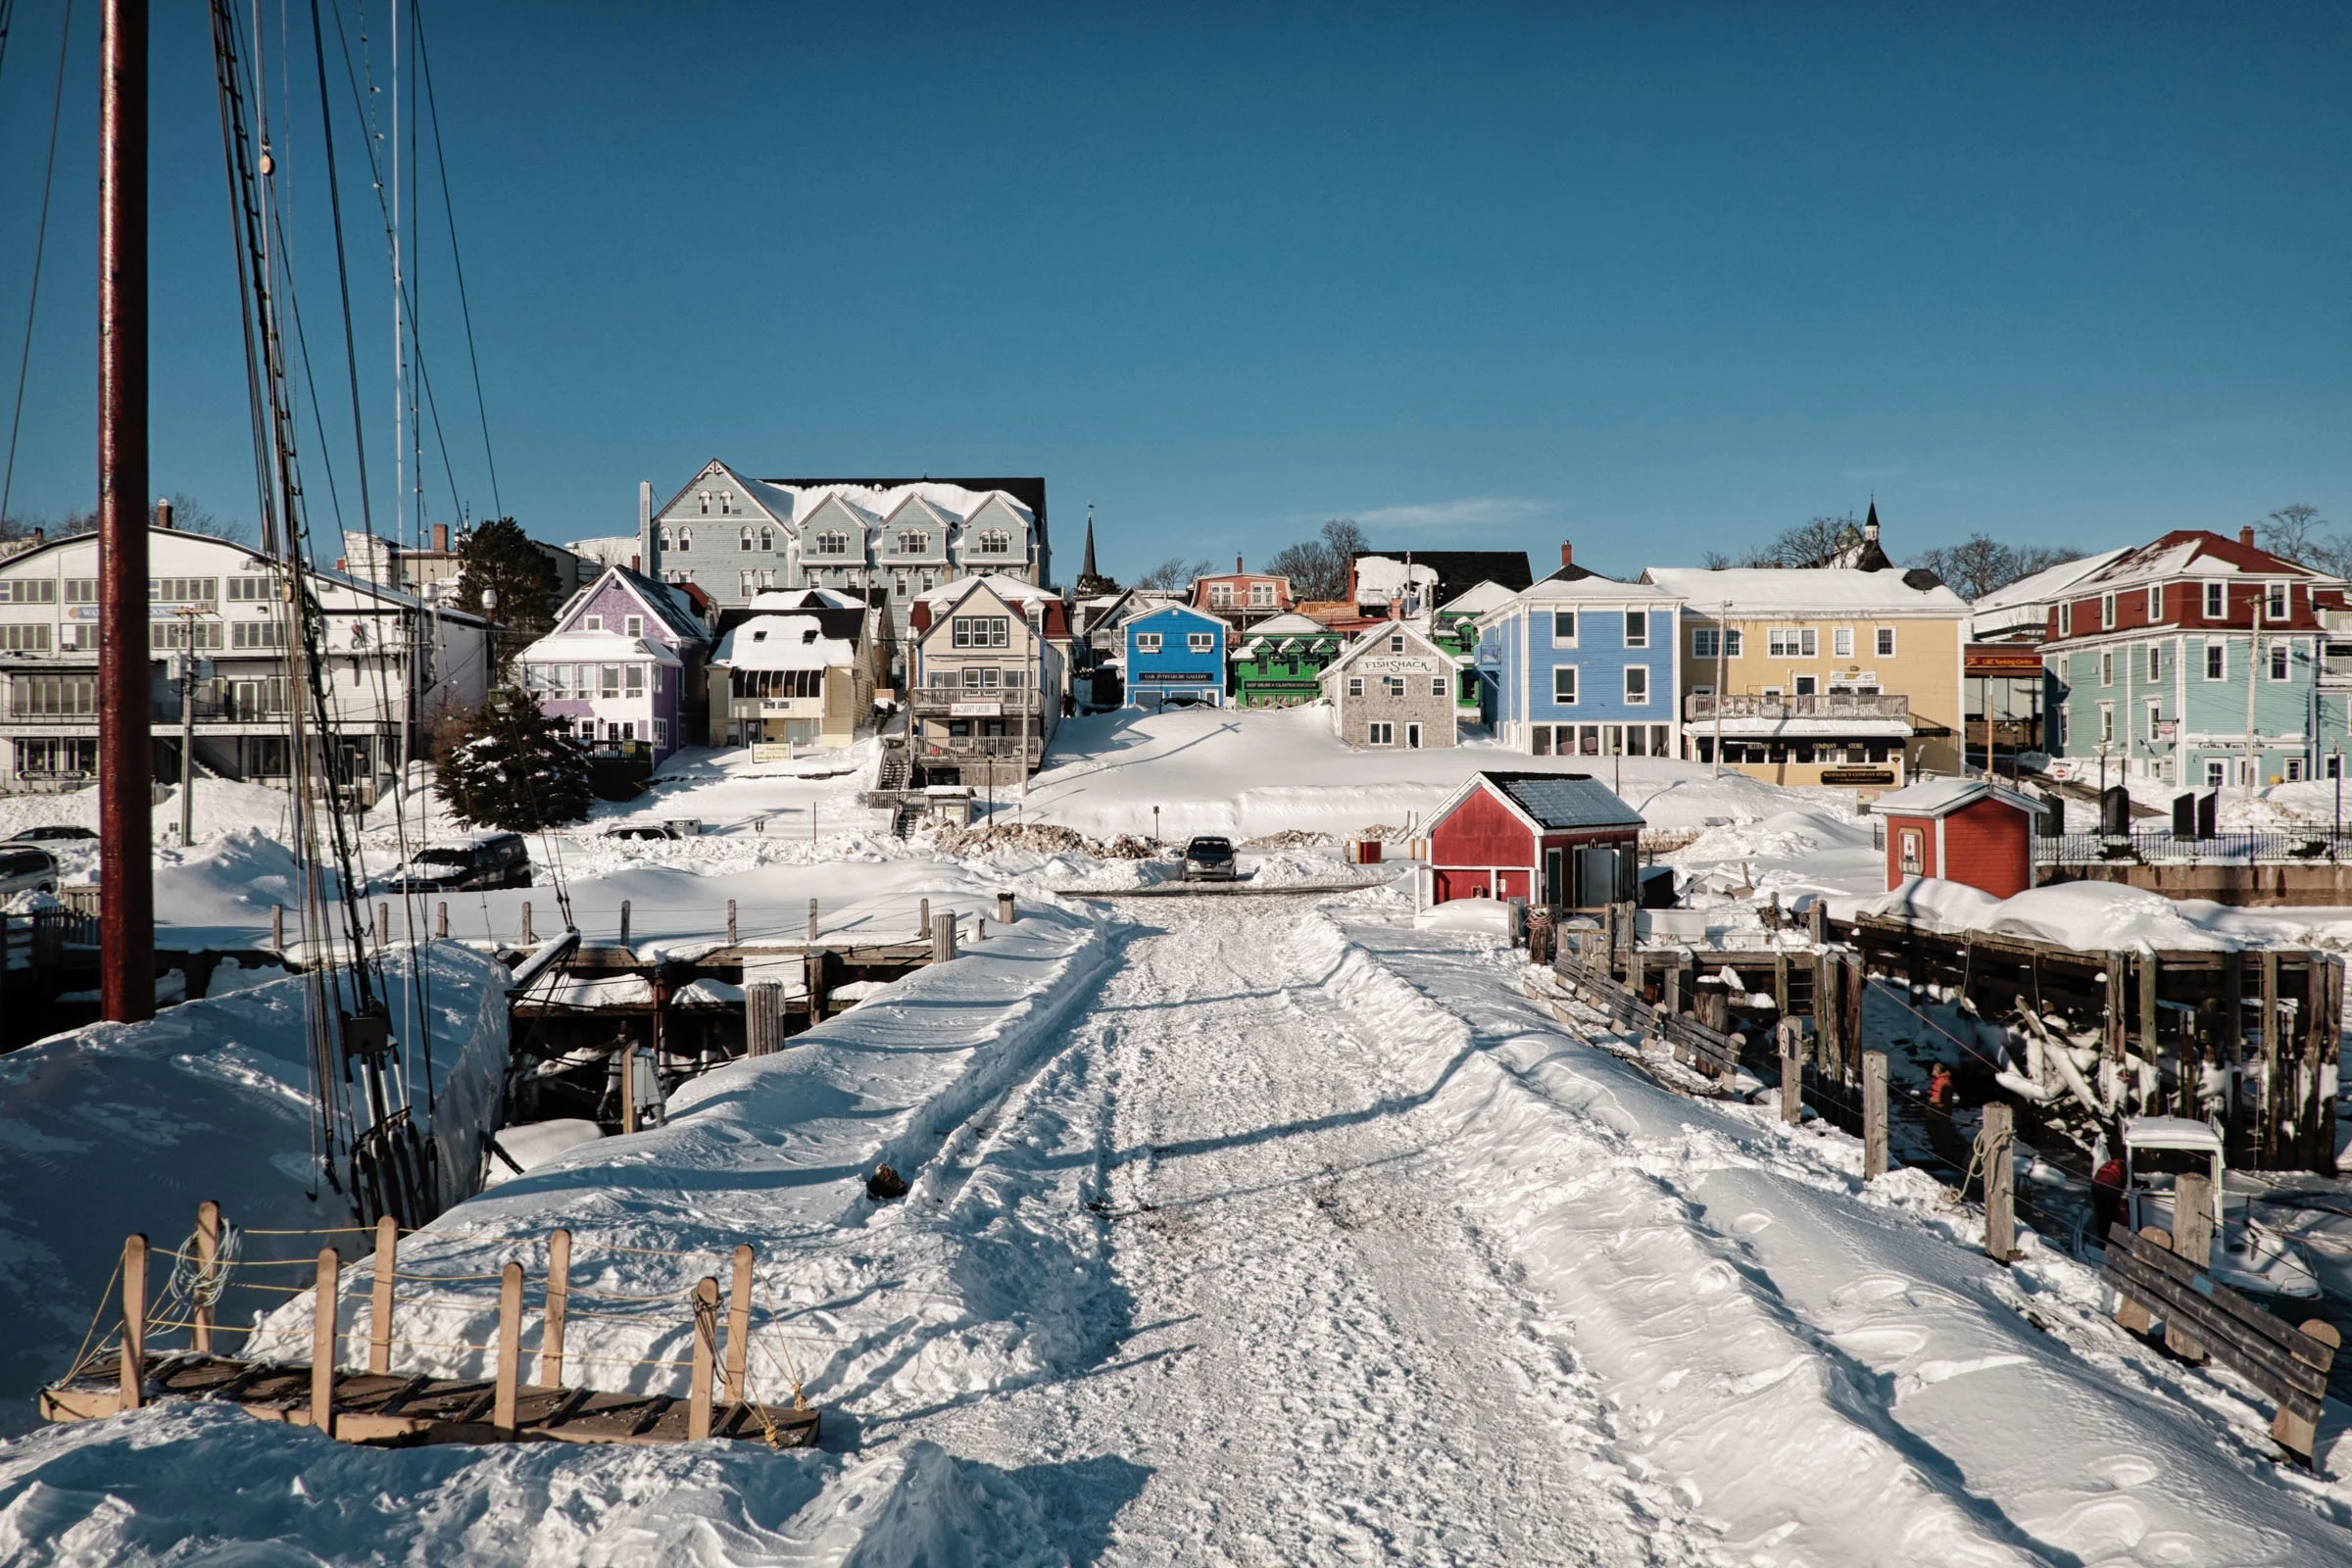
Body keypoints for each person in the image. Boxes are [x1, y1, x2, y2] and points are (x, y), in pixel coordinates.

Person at [2092, 1151, 2128, 1247]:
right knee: (2112, 1215)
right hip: (2108, 1190)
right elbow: (2128, 1181)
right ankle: (2110, 1241)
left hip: (2096, 1187)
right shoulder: (2124, 1168)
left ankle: (2102, 1239)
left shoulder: (2111, 1164)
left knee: (2102, 1215)